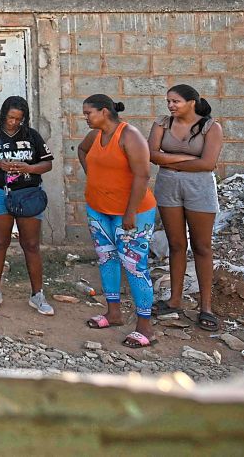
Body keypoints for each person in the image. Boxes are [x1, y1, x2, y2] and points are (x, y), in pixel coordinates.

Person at [78, 94, 157, 349]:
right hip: (99, 210)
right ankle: (113, 313)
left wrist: (131, 212)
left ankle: (145, 327)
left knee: (134, 266)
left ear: (104, 111)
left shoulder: (129, 136)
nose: (86, 118)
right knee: (106, 258)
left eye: (89, 113)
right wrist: (95, 177)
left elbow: (143, 175)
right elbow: (82, 150)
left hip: (132, 213)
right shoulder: (95, 136)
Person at [149, 84, 224, 331]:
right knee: (176, 244)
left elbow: (209, 164)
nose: (170, 106)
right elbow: (152, 155)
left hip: (199, 188)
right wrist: (190, 159)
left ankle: (206, 307)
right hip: (168, 187)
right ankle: (174, 300)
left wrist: (171, 162)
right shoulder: (162, 123)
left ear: (192, 102)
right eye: (168, 101)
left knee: (202, 246)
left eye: (176, 101)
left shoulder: (211, 127)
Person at [0, 96, 55, 316]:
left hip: (28, 194)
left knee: (31, 244)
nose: (13, 123)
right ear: (3, 115)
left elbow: (47, 164)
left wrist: (29, 168)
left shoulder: (32, 136)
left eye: (18, 119)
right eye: (10, 118)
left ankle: (37, 295)